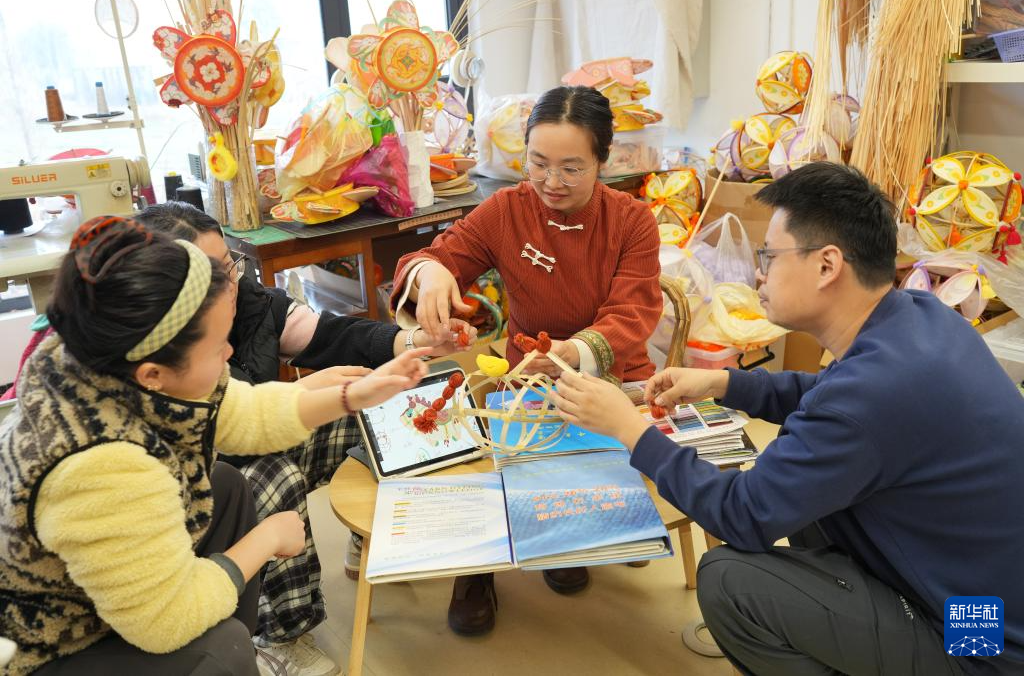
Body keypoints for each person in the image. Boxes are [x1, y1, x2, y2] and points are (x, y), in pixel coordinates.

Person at [550, 162, 1024, 675]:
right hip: (982, 592)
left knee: (731, 581)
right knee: (810, 503)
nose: (759, 273)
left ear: (827, 265)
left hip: (978, 637)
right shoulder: (918, 317)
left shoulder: (871, 393)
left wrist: (630, 429)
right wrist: (724, 383)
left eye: (770, 257)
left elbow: (743, 515)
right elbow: (831, 397)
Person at [0, 216, 429, 675]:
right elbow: (163, 622)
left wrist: (351, 395)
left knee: (226, 486)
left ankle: (231, 630)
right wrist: (266, 539)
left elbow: (246, 412)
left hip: (112, 586)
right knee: (222, 649)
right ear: (153, 374)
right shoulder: (101, 466)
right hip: (56, 644)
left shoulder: (106, 357)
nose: (229, 354)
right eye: (217, 347)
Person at [135, 201, 475, 675]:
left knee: (387, 408)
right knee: (271, 477)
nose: (228, 285)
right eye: (211, 276)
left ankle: (374, 535)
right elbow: (224, 433)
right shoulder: (142, 378)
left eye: (229, 266)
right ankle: (282, 635)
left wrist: (412, 344)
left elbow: (324, 343)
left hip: (249, 444)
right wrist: (266, 539)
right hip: (204, 494)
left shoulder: (247, 301)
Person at [391, 85, 662, 635]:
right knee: (480, 441)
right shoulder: (507, 210)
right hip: (523, 374)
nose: (551, 182)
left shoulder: (632, 221)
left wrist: (573, 353)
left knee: (581, 466)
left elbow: (632, 312)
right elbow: (431, 256)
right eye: (537, 163)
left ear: (603, 160)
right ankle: (476, 569)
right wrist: (430, 272)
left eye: (571, 168)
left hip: (608, 372)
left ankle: (563, 537)